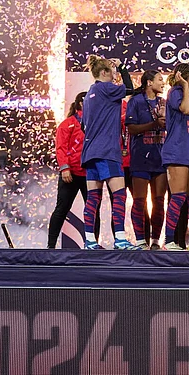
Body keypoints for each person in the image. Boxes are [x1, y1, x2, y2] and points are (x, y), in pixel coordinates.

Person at [80, 55, 139, 250]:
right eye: (112, 72)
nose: (115, 76)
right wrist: (122, 66)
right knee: (119, 195)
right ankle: (120, 240)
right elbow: (129, 89)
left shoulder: (89, 94)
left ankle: (89, 241)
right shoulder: (106, 88)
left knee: (93, 198)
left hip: (90, 153)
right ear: (104, 72)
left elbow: (83, 125)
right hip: (107, 151)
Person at [160, 63, 189, 250]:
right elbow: (185, 110)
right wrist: (186, 87)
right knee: (178, 196)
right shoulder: (176, 92)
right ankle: (169, 240)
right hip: (178, 152)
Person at [47, 92, 101, 248]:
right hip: (70, 174)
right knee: (62, 208)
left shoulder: (98, 123)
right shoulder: (68, 124)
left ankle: (92, 244)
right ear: (80, 104)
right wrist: (65, 168)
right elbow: (61, 148)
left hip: (90, 173)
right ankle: (50, 245)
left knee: (93, 210)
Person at [125, 70, 167, 250]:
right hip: (140, 157)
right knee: (140, 201)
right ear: (149, 82)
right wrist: (155, 124)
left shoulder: (164, 102)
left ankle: (156, 240)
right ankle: (141, 240)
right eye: (159, 80)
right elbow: (132, 129)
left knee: (159, 201)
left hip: (160, 157)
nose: (163, 83)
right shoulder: (135, 102)